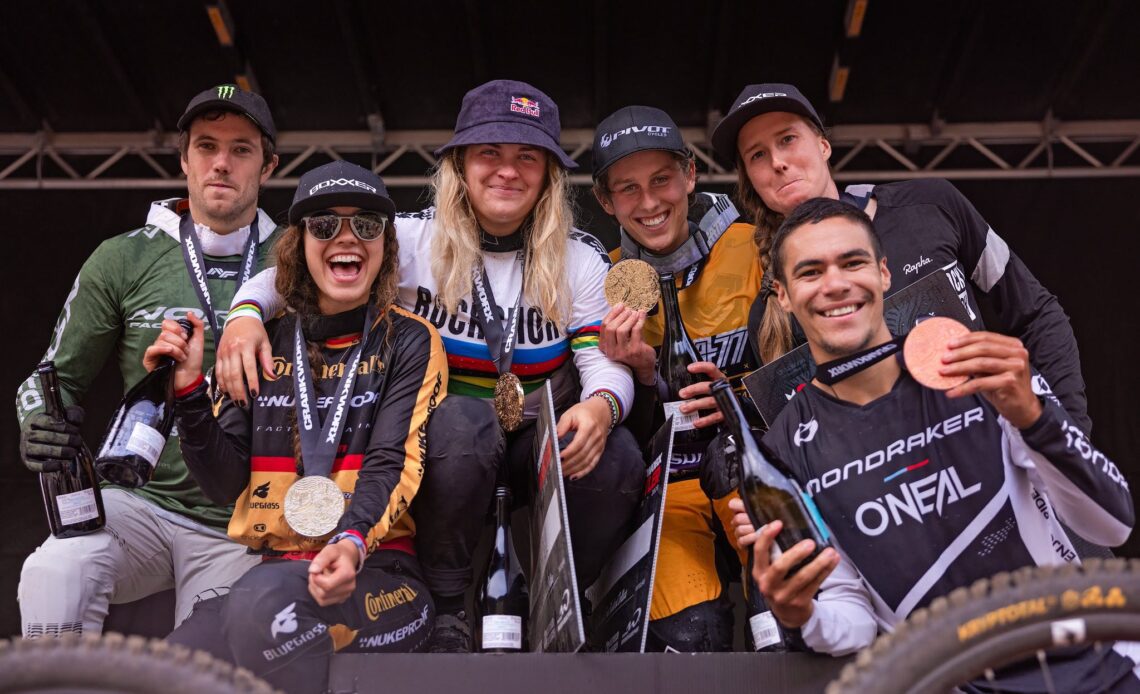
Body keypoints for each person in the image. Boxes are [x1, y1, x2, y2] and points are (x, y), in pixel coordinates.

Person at [212, 79, 645, 652]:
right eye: (489, 153)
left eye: (527, 157)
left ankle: (565, 604)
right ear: (460, 166)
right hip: (442, 453)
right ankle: (447, 609)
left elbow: (603, 363)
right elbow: (304, 262)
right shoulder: (414, 239)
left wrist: (601, 405)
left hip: (538, 443)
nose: (507, 171)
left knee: (617, 456)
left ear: (549, 175)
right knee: (463, 422)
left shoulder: (579, 257)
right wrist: (244, 314)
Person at [728, 197, 1137, 690]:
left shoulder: (966, 363)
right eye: (811, 272)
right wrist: (801, 612)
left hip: (1097, 669)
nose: (835, 284)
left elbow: (1111, 523)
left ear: (883, 273)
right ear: (784, 295)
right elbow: (854, 618)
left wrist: (1034, 415)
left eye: (852, 262)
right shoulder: (783, 447)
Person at [156, 161, 446, 692]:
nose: (347, 238)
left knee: (258, 607)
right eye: (324, 225)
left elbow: (389, 463)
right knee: (164, 667)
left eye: (367, 225)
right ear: (298, 242)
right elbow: (223, 485)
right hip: (273, 573)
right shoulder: (261, 338)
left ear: (386, 245)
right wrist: (190, 393)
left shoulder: (409, 340)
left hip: (381, 578)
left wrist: (353, 540)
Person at [15, 84, 281, 637]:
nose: (222, 163)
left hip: (244, 521)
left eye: (242, 149)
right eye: (206, 146)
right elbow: (51, 378)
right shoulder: (125, 256)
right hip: (140, 503)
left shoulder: (297, 258)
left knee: (209, 661)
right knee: (54, 571)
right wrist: (35, 421)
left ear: (269, 164)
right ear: (183, 158)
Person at [708, 82, 1092, 434]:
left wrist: (1067, 434)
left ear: (823, 145)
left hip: (998, 461)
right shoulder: (775, 307)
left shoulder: (931, 204)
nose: (777, 161)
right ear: (750, 179)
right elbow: (807, 439)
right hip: (896, 497)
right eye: (758, 154)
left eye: (788, 139)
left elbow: (1036, 314)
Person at [592, 105, 760, 650]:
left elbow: (808, 372)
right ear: (605, 200)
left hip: (762, 465)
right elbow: (624, 434)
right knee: (688, 639)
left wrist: (740, 406)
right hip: (669, 485)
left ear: (690, 175)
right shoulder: (603, 279)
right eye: (627, 189)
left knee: (785, 626)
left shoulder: (757, 246)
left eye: (662, 179)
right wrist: (640, 372)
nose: (649, 203)